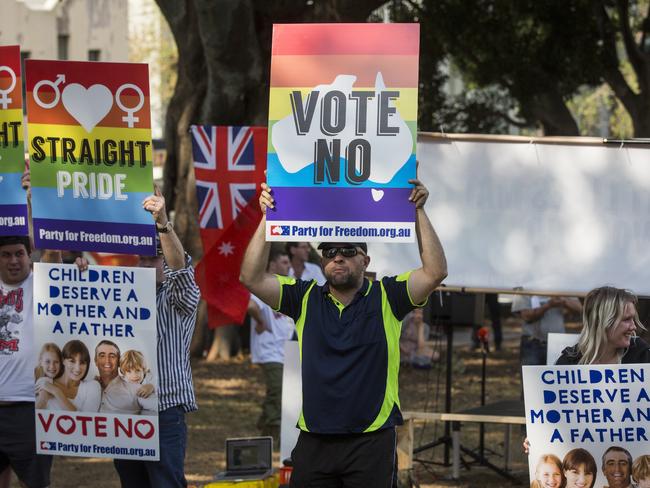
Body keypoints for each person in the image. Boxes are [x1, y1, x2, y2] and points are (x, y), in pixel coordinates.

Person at [241, 177, 447, 487]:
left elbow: (435, 272)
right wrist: (268, 216)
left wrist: (418, 211)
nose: (338, 256)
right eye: (330, 251)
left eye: (348, 250)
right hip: (315, 439)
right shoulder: (304, 297)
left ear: (366, 260)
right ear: (321, 261)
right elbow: (251, 277)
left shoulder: (388, 296)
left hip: (371, 439)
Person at [110, 187, 200, 487]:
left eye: (153, 259)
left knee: (166, 483)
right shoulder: (123, 299)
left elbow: (180, 270)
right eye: (141, 259)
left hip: (164, 413)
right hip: (125, 413)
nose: (146, 265)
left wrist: (163, 222)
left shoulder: (179, 297)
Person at [0, 232, 88, 488]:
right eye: (6, 255)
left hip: (30, 409)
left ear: (30, 256)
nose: (13, 261)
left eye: (19, 253)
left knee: (35, 483)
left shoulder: (43, 282)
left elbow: (52, 253)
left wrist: (76, 271)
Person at [247, 248, 295, 442]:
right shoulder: (264, 284)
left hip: (286, 349)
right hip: (268, 349)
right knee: (277, 389)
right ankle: (272, 431)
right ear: (273, 264)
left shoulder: (289, 284)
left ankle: (264, 421)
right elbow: (251, 305)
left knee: (282, 390)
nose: (288, 266)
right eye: (284, 262)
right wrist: (260, 321)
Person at [556, 286, 650, 365]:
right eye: (626, 319)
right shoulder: (569, 362)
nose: (633, 327)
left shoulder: (641, 355)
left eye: (633, 319)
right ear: (601, 322)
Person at [513, 294, 582, 365]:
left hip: (557, 343)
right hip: (532, 343)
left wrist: (563, 301)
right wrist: (548, 305)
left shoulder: (562, 286)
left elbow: (580, 309)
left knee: (557, 374)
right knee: (530, 375)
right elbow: (527, 316)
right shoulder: (525, 285)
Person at [36, 340, 101, 412]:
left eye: (82, 363)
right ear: (63, 360)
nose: (77, 368)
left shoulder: (92, 387)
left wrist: (56, 392)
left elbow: (87, 421)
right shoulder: (45, 382)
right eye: (72, 361)